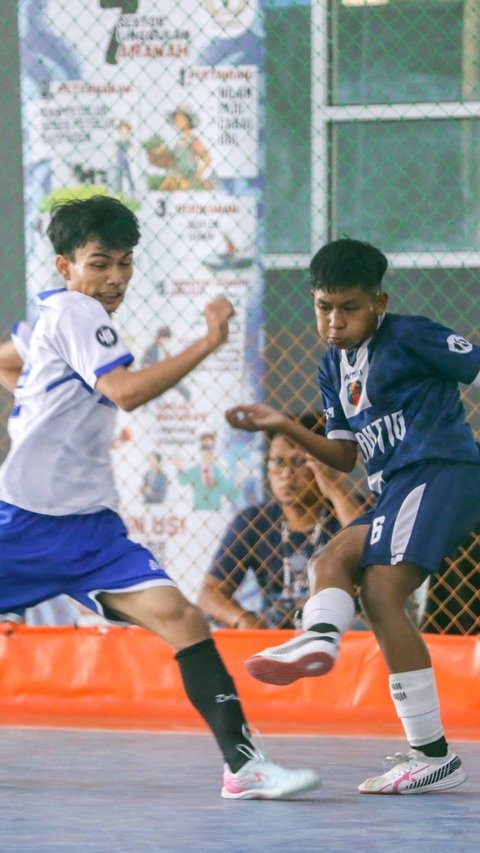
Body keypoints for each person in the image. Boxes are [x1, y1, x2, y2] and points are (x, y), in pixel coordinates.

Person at [0, 195, 320, 800]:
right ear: (65, 266)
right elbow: (123, 392)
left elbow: (7, 358)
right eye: (100, 263)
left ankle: (244, 765)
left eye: (124, 262)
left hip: (90, 531)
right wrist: (209, 341)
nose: (115, 277)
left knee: (184, 618)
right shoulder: (75, 310)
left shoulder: (53, 318)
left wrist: (31, 398)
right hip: (24, 522)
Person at [226, 237, 480, 795]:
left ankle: (321, 642)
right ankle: (426, 748)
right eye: (324, 307)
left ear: (379, 303)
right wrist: (284, 424)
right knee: (339, 562)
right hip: (395, 487)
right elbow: (345, 455)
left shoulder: (411, 335)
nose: (335, 321)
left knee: (380, 589)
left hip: (440, 473)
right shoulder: (331, 367)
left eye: (350, 307)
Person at [199, 416, 363, 629]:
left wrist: (333, 488)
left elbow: (371, 546)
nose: (286, 474)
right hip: (275, 634)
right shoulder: (255, 520)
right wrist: (243, 619)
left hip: (343, 632)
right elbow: (210, 592)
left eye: (298, 462)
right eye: (277, 461)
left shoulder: (352, 508)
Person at [175, 431, 240, 511]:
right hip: (198, 512)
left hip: (215, 513)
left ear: (214, 449)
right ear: (200, 448)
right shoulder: (193, 471)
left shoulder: (218, 472)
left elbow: (229, 492)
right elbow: (182, 481)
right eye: (204, 447)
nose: (207, 451)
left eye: (210, 447)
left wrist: (238, 483)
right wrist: (178, 467)